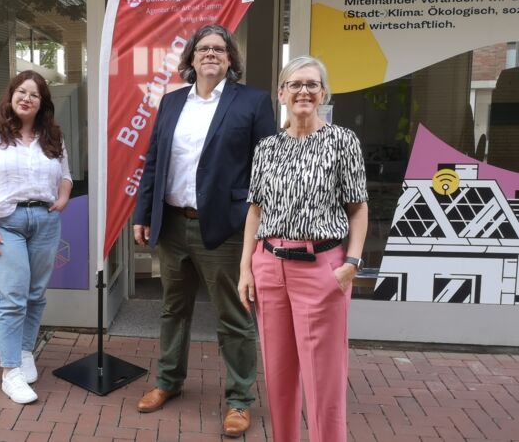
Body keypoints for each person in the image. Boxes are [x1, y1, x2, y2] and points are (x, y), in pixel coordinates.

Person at [132, 24, 276, 437]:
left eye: (219, 49)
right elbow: (154, 162)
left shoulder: (251, 102)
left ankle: (239, 400)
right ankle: (168, 382)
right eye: (203, 49)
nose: (210, 54)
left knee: (234, 316)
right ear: (191, 59)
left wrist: (257, 220)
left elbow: (265, 167)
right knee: (173, 309)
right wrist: (144, 214)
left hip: (226, 229)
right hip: (173, 223)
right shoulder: (172, 102)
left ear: (231, 59)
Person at [238, 56, 368, 442]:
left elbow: (358, 208)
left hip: (321, 267)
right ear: (281, 93)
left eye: (312, 84)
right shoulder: (267, 147)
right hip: (270, 265)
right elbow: (255, 210)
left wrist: (352, 263)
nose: (303, 92)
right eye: (295, 85)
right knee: (278, 373)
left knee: (323, 377)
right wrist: (246, 268)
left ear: (323, 93)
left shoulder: (342, 141)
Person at [0, 70, 72, 404]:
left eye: (34, 95)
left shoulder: (52, 135)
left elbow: (65, 174)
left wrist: (63, 197)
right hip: (2, 222)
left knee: (35, 294)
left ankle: (24, 352)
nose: (27, 98)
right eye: (21, 92)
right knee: (11, 297)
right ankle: (10, 372)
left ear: (42, 103)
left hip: (44, 221)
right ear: (10, 96)